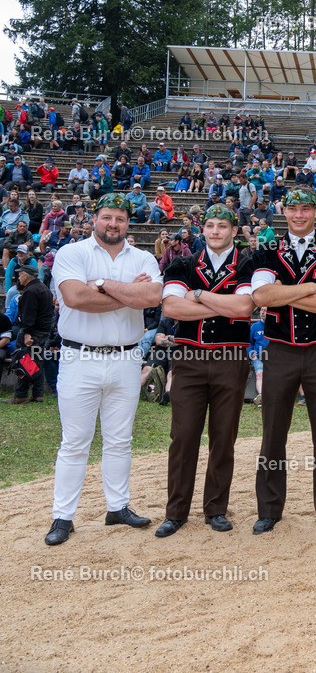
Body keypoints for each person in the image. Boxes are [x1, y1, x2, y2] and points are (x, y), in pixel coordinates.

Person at [43, 193, 163, 546]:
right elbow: (76, 299)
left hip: (126, 357)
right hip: (80, 357)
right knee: (75, 442)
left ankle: (118, 507)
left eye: (120, 219)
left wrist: (100, 284)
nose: (113, 224)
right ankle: (63, 516)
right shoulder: (72, 252)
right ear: (94, 219)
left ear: (129, 223)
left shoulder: (143, 257)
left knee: (120, 439)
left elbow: (152, 298)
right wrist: (128, 292)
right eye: (107, 217)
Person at [152, 205, 255, 537]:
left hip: (231, 358)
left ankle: (216, 509)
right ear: (202, 229)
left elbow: (242, 310)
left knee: (223, 437)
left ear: (234, 230)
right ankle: (176, 511)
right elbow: (170, 306)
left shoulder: (248, 262)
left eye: (222, 226)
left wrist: (196, 296)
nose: (214, 231)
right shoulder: (183, 262)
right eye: (209, 225)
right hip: (189, 359)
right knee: (183, 437)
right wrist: (218, 302)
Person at [249, 189, 316, 535]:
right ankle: (269, 509)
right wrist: (309, 288)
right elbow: (260, 296)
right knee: (273, 433)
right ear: (284, 211)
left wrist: (284, 294)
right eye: (293, 208)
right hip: (280, 350)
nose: (299, 215)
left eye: (306, 208)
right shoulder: (266, 251)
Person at [3, 264, 52, 403]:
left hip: (32, 332)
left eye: (20, 275)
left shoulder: (31, 291)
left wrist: (27, 333)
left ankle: (21, 394)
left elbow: (29, 315)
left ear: (25, 275)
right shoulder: (43, 288)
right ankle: (38, 394)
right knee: (37, 361)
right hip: (42, 332)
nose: (18, 277)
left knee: (24, 361)